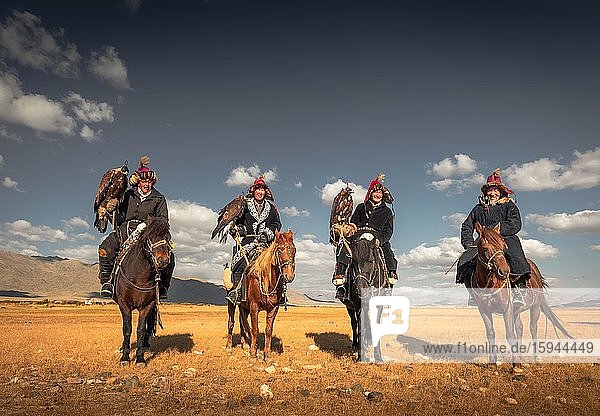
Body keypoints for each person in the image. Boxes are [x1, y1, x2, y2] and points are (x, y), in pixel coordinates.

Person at [98, 156, 174, 300]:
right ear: (138, 182)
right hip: (125, 229)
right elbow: (118, 216)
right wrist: (112, 208)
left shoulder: (159, 198)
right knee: (104, 248)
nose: (147, 184)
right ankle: (107, 282)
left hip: (149, 232)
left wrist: (147, 223)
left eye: (149, 181)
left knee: (170, 255)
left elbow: (163, 220)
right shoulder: (127, 195)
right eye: (144, 181)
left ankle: (163, 286)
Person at [457, 168, 530, 308]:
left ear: (501, 191)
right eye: (489, 190)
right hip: (484, 242)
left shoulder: (509, 206)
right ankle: (474, 293)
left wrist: (496, 232)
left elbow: (515, 223)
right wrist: (469, 243)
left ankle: (519, 290)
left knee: (516, 256)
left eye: (495, 190)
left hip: (504, 238)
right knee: (465, 260)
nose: (492, 193)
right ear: (485, 192)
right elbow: (467, 225)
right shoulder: (478, 209)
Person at [332, 174, 398, 299]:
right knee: (343, 248)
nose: (377, 195)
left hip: (376, 238)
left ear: (383, 195)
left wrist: (380, 240)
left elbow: (388, 231)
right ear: (371, 193)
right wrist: (348, 228)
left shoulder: (387, 211)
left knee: (388, 253)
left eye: (380, 193)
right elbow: (354, 222)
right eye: (375, 192)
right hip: (358, 236)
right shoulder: (361, 207)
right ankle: (340, 282)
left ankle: (390, 279)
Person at [226, 176, 282, 304]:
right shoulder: (245, 205)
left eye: (262, 190)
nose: (260, 192)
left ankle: (280, 293)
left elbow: (277, 224)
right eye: (258, 189)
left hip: (265, 243)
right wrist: (238, 230)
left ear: (265, 192)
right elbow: (238, 222)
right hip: (248, 242)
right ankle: (237, 291)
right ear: (253, 191)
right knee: (239, 262)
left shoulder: (271, 208)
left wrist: (267, 233)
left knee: (278, 263)